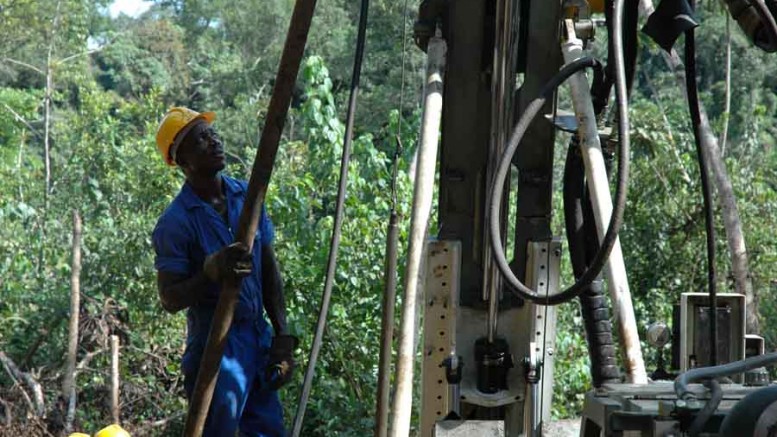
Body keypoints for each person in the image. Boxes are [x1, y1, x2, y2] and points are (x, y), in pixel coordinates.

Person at [152, 107, 296, 436]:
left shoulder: (247, 195)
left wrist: (282, 336)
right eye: (201, 139)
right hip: (216, 346)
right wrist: (208, 273)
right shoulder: (175, 223)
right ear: (181, 159)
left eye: (213, 134)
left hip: (257, 338)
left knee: (269, 430)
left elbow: (268, 267)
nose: (215, 141)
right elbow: (169, 298)